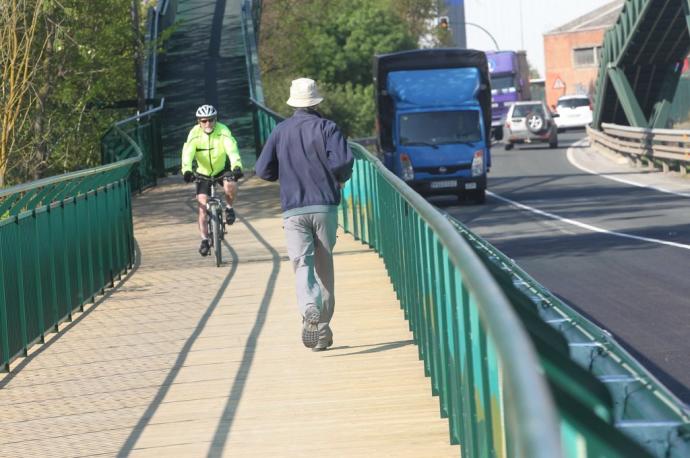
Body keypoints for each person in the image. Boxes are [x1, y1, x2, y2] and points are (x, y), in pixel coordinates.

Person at [255, 78, 354, 351]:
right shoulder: (327, 127)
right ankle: (321, 330)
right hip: (324, 206)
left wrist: (284, 173)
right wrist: (339, 177)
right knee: (324, 267)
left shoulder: (280, 131)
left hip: (293, 209)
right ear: (316, 102)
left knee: (302, 265)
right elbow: (344, 161)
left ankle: (309, 307)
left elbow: (263, 170)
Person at [181, 104, 244, 257]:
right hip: (202, 173)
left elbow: (232, 149)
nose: (208, 124)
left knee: (230, 185)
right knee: (202, 206)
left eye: (211, 120)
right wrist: (187, 170)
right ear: (198, 122)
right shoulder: (194, 134)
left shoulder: (223, 130)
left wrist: (237, 166)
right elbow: (187, 153)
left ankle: (229, 208)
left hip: (220, 169)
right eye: (204, 121)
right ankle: (204, 240)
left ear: (216, 120)